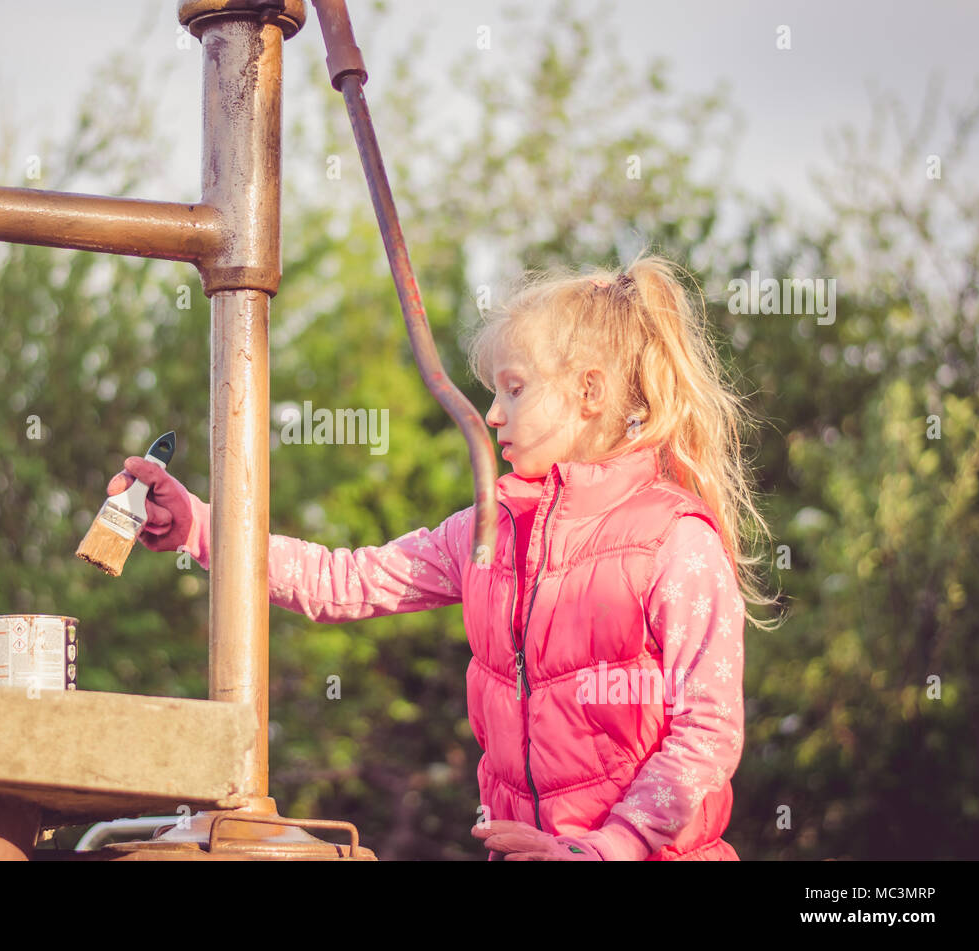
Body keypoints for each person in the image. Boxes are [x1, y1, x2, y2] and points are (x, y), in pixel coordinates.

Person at [107, 250, 778, 860]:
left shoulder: (675, 539)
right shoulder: (486, 529)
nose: (491, 413)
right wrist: (199, 524)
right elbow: (344, 580)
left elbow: (708, 731)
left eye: (513, 388)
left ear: (590, 394)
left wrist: (608, 848)